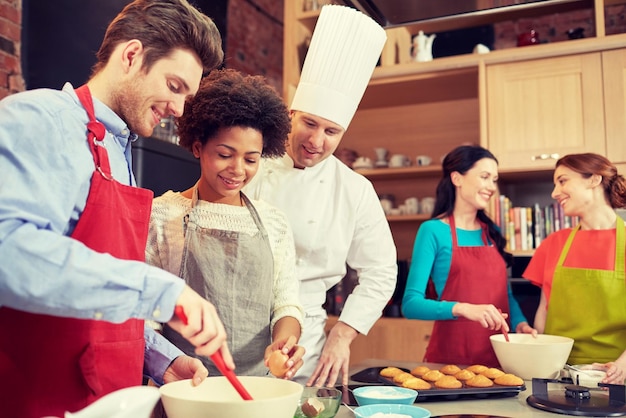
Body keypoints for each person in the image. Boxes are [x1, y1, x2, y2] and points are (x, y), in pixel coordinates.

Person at [0, 1, 233, 416]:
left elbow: (91, 294)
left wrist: (160, 357)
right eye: (175, 86)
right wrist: (163, 292)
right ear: (131, 56)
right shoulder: (40, 119)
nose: (179, 110)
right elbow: (9, 253)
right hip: (42, 400)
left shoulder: (119, 150)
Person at [244, 4, 397, 387]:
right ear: (291, 114)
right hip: (236, 326)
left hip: (306, 341)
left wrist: (342, 334)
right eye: (310, 123)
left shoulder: (355, 190)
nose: (316, 141)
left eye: (332, 132)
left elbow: (381, 272)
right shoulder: (250, 165)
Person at [146, 68, 305, 379]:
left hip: (256, 391)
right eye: (224, 154)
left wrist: (284, 344)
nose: (237, 170)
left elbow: (286, 303)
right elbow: (148, 313)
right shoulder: (162, 214)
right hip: (184, 387)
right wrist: (163, 366)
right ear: (197, 147)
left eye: (251, 159)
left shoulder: (273, 222)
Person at [402, 145, 536, 367]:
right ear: (457, 178)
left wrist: (520, 323)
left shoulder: (492, 233)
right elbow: (410, 304)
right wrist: (463, 308)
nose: (491, 187)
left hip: (500, 360)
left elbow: (505, 295)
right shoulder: (433, 230)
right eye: (484, 177)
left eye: (494, 180)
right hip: (450, 363)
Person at [523, 153, 626, 384]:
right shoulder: (553, 243)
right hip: (556, 373)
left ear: (594, 180)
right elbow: (544, 312)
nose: (554, 193)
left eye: (562, 181)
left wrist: (623, 365)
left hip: (614, 376)